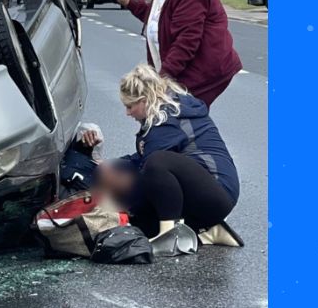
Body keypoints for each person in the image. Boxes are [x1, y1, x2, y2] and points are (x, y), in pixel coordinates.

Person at [82, 63, 244, 246]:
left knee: (156, 165)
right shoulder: (165, 111)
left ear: (145, 100)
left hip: (217, 190)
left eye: (130, 106)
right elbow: (142, 159)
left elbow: (150, 172)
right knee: (140, 220)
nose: (127, 113)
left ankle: (171, 235)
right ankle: (207, 229)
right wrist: (112, 166)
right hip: (209, 193)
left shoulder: (166, 119)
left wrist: (122, 203)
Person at [111, 0, 242, 107]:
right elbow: (157, 20)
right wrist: (126, 1)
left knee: (183, 120)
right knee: (180, 122)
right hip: (184, 72)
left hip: (203, 72)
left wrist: (163, 78)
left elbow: (187, 40)